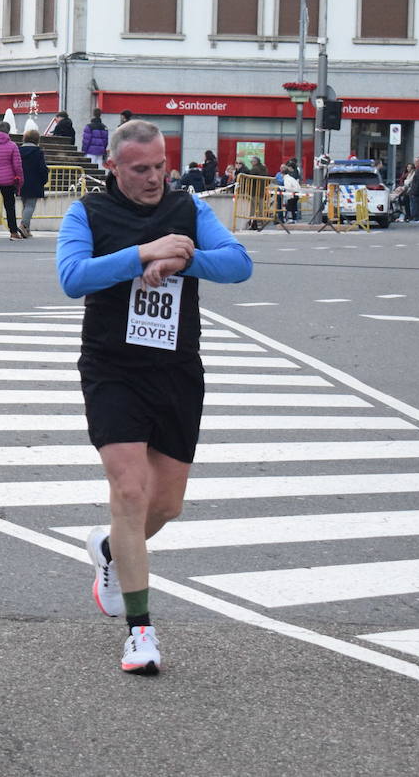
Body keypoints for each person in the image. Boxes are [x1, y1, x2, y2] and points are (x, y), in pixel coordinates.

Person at [56, 118, 251, 674]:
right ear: (112, 167)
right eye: (140, 169)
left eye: (159, 165)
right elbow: (72, 277)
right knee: (130, 490)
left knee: (167, 504)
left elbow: (239, 263)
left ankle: (113, 550)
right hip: (112, 368)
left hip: (176, 369)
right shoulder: (87, 213)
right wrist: (143, 252)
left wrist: (185, 258)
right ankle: (140, 633)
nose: (153, 178)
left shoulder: (190, 209)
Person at [19, 129, 47, 238]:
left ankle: (27, 229)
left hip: (21, 181)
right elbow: (42, 168)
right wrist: (44, 180)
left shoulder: (19, 150)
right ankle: (23, 225)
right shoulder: (38, 152)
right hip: (34, 181)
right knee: (30, 205)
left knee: (25, 205)